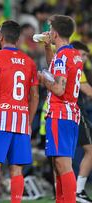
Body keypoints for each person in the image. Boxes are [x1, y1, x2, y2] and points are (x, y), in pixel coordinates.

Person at [0, 20, 39, 203]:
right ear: (18, 39)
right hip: (21, 120)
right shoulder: (29, 62)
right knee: (16, 168)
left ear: (0, 36)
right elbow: (34, 96)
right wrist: (28, 121)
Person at [38, 15, 83, 203]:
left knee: (63, 165)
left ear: (55, 33)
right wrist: (48, 46)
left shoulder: (63, 56)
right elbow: (54, 67)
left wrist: (42, 79)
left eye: (49, 28)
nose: (48, 32)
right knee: (59, 164)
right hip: (70, 113)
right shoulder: (71, 53)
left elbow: (58, 88)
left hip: (60, 113)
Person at [70, 41, 92, 202]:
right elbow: (88, 91)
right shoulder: (75, 64)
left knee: (62, 155)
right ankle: (78, 191)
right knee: (90, 150)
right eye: (83, 54)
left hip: (63, 112)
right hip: (76, 110)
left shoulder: (63, 62)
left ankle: (66, 191)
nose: (84, 59)